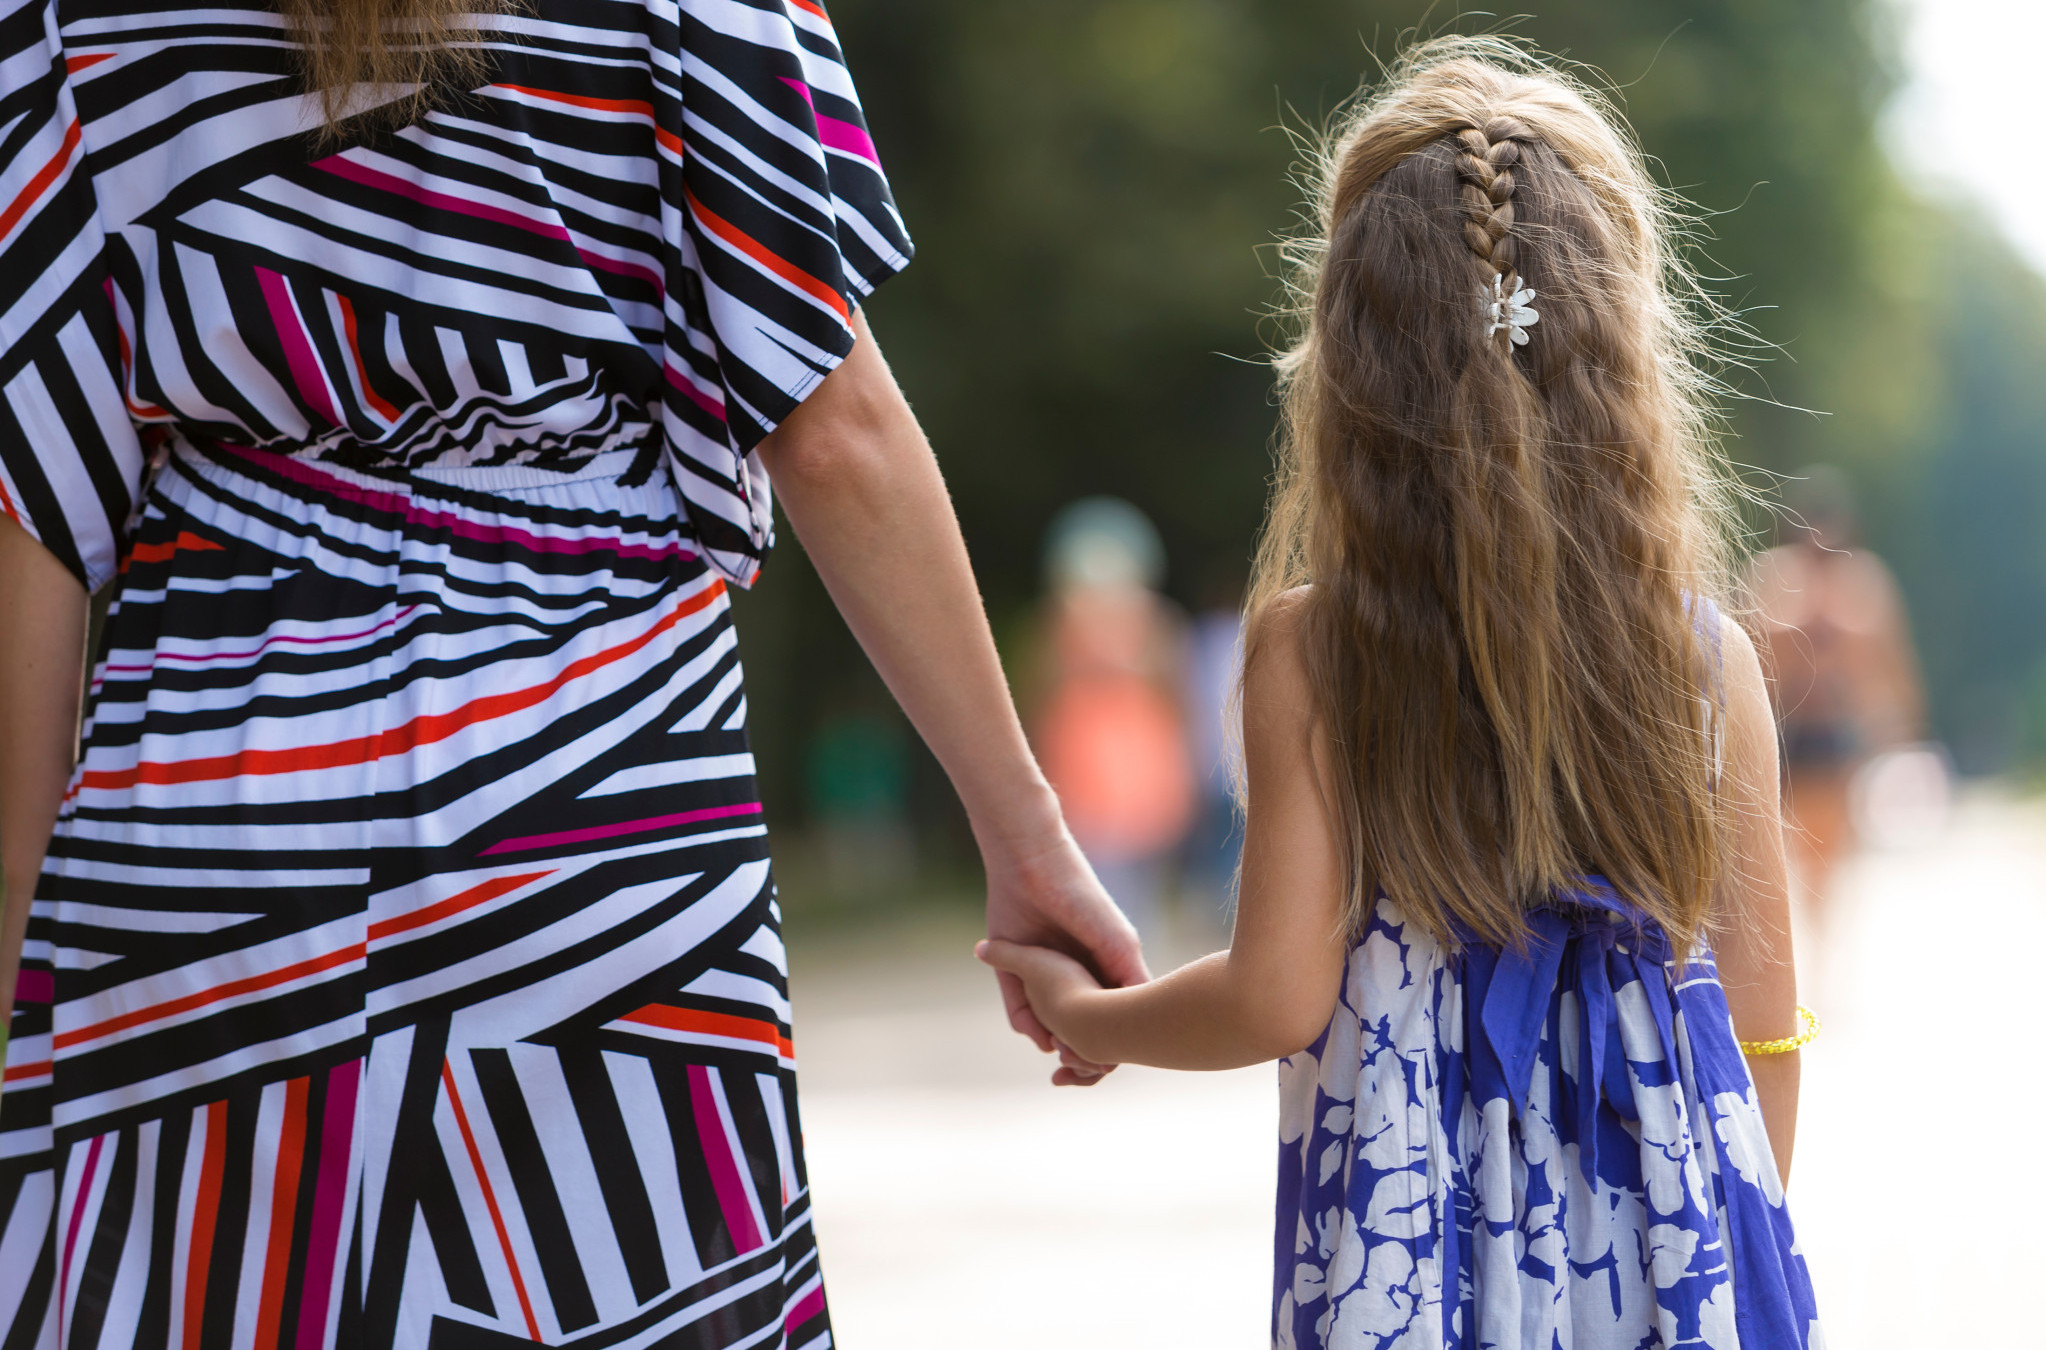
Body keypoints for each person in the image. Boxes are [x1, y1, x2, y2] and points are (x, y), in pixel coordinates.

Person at [0, 1, 1138, 1344]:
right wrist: (1024, 834)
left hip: (211, 828)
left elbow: (30, 507)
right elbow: (832, 430)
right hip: (600, 815)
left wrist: (20, 953)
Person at [980, 39, 1822, 1349]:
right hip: (1670, 1275)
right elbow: (1763, 1037)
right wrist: (1717, 1262)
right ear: (1620, 360)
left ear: (1350, 369)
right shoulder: (1708, 664)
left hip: (1410, 1275)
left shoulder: (1317, 654)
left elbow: (1275, 994)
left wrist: (1091, 1013)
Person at [1750, 466, 1926, 930]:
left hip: (1838, 735)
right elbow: (1751, 658)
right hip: (1786, 733)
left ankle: (1821, 935)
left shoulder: (1864, 584)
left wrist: (1902, 734)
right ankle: (1807, 934)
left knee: (1829, 855)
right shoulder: (1773, 578)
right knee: (1786, 853)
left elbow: (1890, 660)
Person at [1030, 497, 1195, 940]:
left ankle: (1127, 948)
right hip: (1092, 767)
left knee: (1126, 876)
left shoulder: (1146, 621)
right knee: (1110, 875)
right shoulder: (1066, 622)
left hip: (1133, 767)